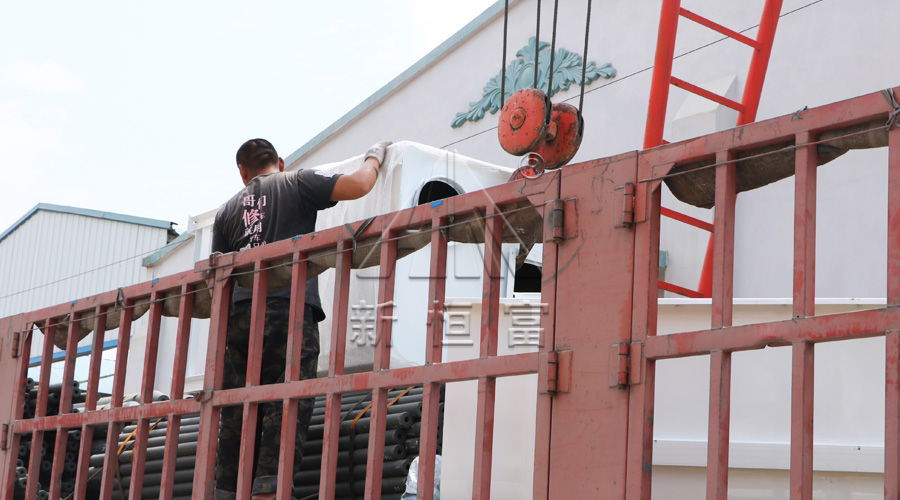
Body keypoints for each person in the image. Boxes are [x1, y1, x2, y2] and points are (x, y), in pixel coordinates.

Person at [211, 138, 390, 500]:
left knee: (236, 406)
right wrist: (374, 156)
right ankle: (269, 488)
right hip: (289, 310)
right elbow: (360, 185)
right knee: (289, 398)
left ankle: (226, 490)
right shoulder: (297, 181)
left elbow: (218, 276)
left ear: (242, 172)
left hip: (240, 317)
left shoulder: (226, 212)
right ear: (280, 161)